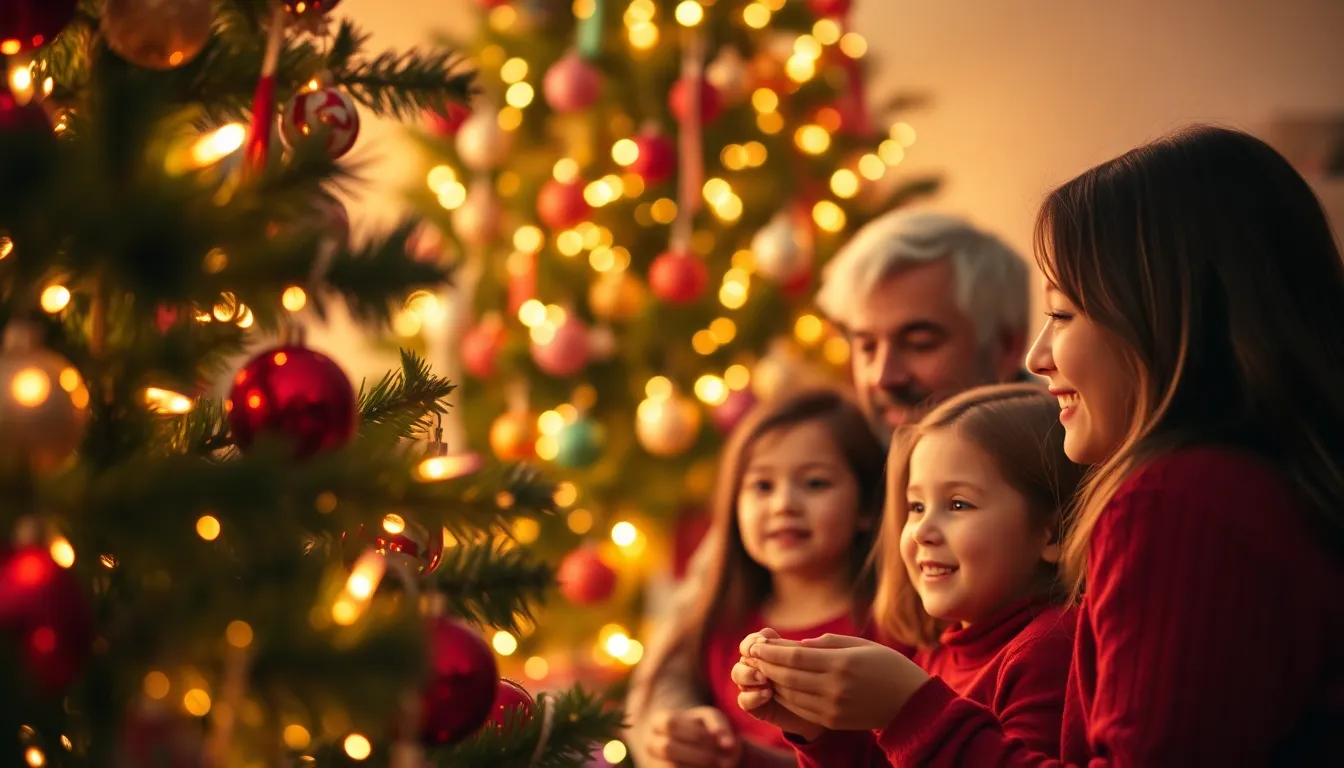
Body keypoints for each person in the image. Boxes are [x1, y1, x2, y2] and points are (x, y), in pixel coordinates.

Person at [736, 125, 1344, 764]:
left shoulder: (1178, 502)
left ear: (1159, 317)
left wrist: (909, 711)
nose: (1038, 357)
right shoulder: (1256, 486)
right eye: (862, 344)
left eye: (1062, 315)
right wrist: (835, 732)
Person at [626, 209, 1034, 767]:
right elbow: (673, 656)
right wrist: (671, 732)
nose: (883, 375)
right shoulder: (842, 449)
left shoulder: (1057, 467)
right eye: (865, 346)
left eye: (918, 341)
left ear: (1007, 346)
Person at [734, 384, 1083, 764]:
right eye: (916, 506)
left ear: (1052, 534)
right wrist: (819, 733)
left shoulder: (1048, 649)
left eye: (958, 504)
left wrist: (909, 710)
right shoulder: (936, 651)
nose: (920, 530)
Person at [626, 389, 886, 767]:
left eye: (815, 483)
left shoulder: (886, 627)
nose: (784, 505)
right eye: (763, 486)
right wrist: (692, 734)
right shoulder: (718, 621)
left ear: (865, 505)